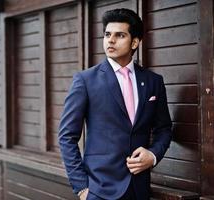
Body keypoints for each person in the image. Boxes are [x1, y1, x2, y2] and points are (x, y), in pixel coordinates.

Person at [58, 8, 172, 200]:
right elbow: (66, 136)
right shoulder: (85, 80)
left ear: (135, 42)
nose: (110, 40)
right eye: (107, 34)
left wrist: (152, 156)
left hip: (139, 190)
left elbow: (164, 128)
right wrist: (82, 188)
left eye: (120, 35)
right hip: (99, 190)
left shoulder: (153, 82)